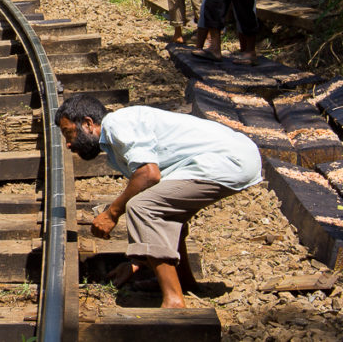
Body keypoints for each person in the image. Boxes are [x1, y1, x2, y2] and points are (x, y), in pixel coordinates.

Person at [57, 94, 261, 308]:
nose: (69, 144)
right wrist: (137, 263)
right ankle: (183, 281)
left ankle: (173, 299)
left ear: (88, 123)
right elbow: (156, 190)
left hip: (227, 160)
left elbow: (149, 174)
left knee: (142, 206)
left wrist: (112, 213)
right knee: (163, 209)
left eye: (67, 132)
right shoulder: (116, 140)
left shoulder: (117, 124)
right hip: (233, 158)